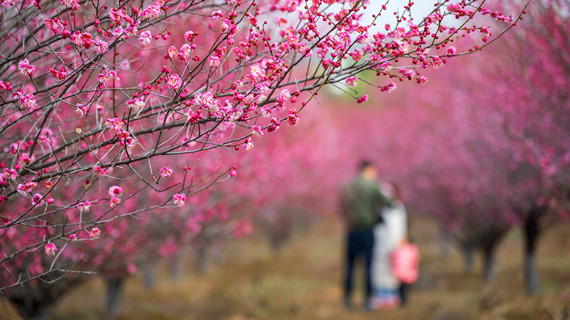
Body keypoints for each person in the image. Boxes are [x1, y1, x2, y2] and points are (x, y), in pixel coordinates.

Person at [340, 160, 391, 310]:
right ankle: (367, 300)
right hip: (368, 231)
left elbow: (341, 207)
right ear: (368, 170)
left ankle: (347, 299)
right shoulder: (373, 186)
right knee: (368, 266)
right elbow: (388, 202)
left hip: (351, 230)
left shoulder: (348, 186)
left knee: (350, 266)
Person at [371, 183, 408, 308]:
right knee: (380, 272)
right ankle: (381, 298)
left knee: (392, 273)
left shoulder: (396, 208)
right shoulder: (382, 209)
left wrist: (395, 245)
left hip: (393, 245)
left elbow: (397, 228)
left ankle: (392, 298)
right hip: (381, 245)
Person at [390, 237, 420, 307]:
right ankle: (402, 300)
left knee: (402, 288)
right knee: (403, 288)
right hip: (405, 272)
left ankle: (402, 301)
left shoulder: (403, 249)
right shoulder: (412, 249)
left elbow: (394, 258)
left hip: (403, 272)